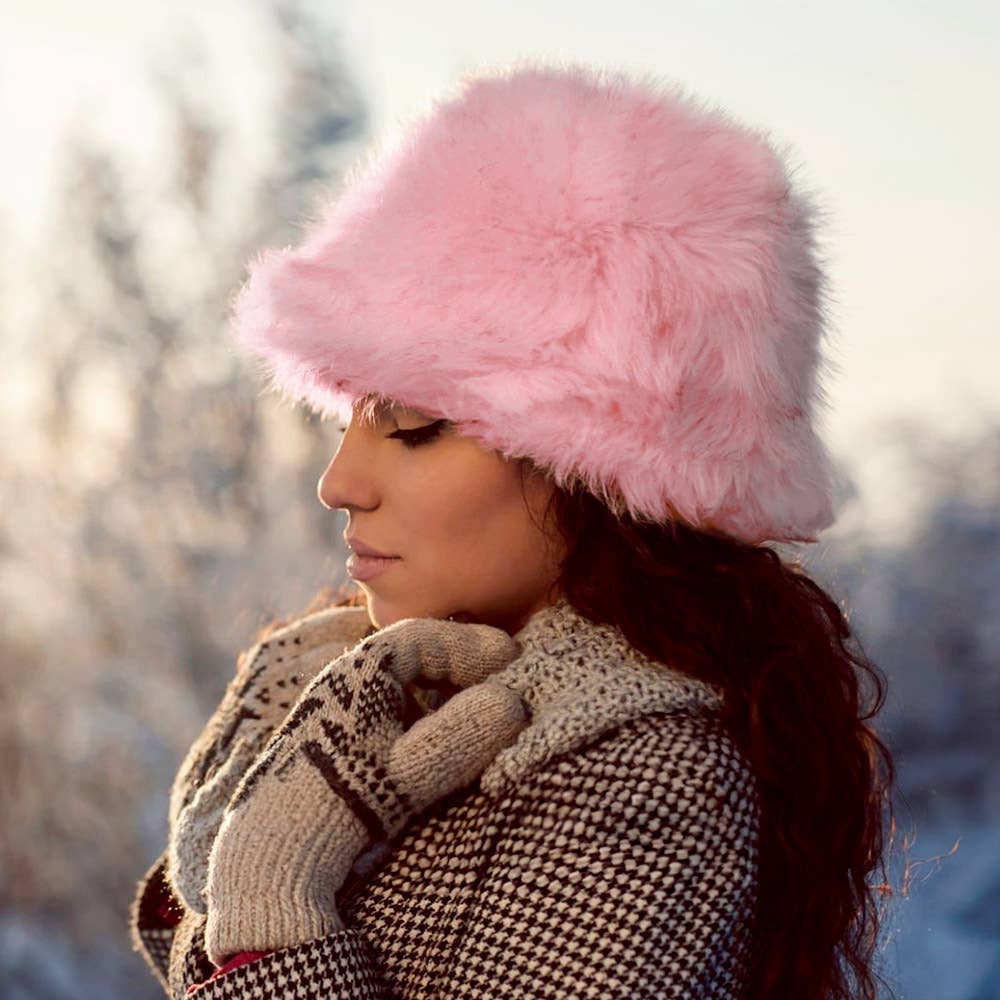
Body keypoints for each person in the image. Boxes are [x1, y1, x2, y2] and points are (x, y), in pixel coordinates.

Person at [130, 58, 897, 999]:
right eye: (347, 421)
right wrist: (227, 812)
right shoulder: (396, 688)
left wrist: (270, 905)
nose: (339, 483)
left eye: (413, 424)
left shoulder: (644, 778)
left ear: (598, 463)